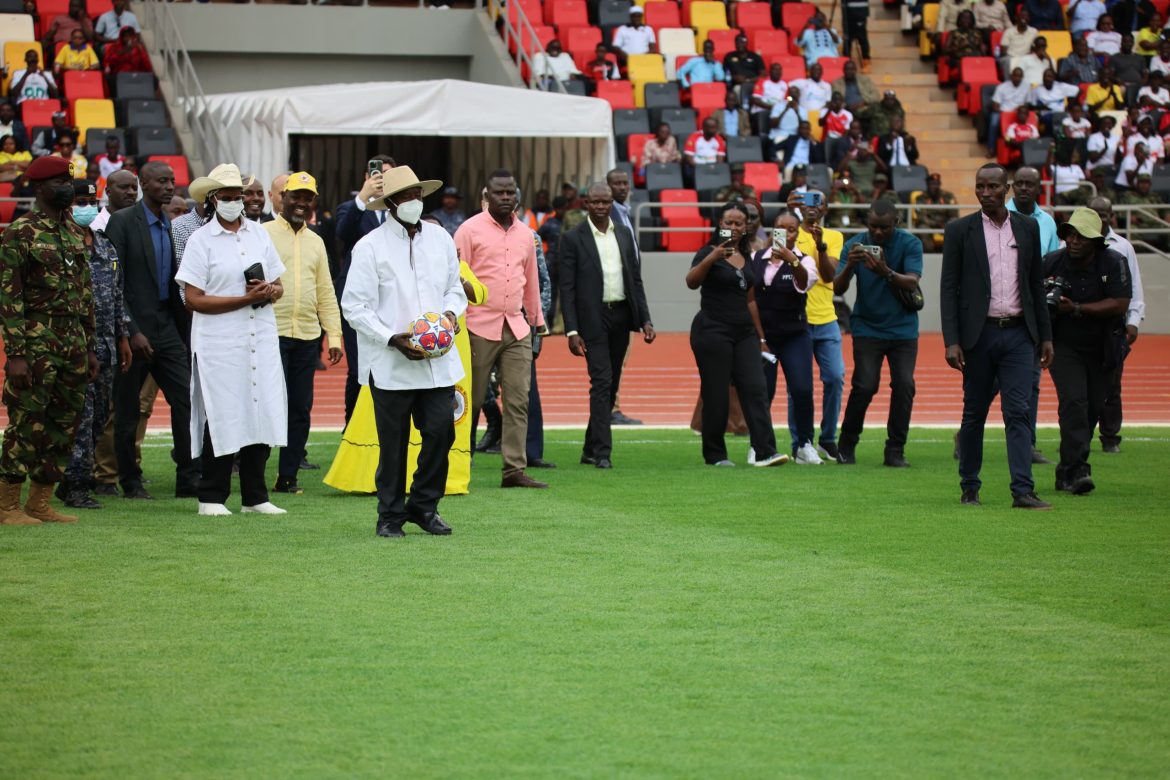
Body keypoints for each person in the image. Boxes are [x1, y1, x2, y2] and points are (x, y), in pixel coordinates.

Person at [339, 166, 466, 536]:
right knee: (392, 446)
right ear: (391, 203)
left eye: (417, 195)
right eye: (406, 196)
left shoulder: (440, 239)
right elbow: (355, 306)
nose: (413, 201)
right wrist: (393, 338)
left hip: (438, 362)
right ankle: (390, 516)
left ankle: (424, 507)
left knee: (442, 433)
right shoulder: (370, 247)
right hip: (392, 363)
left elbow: (454, 288)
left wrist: (449, 315)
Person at [939, 163, 1054, 509]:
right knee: (974, 414)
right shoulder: (960, 230)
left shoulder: (1028, 227)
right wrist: (952, 340)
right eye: (980, 187)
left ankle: (1023, 490)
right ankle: (969, 486)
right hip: (979, 336)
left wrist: (1045, 335)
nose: (985, 193)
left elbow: (1035, 284)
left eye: (992, 187)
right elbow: (949, 288)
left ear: (1006, 189)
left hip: (1020, 334)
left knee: (1018, 412)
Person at [174, 164, 286, 517]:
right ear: (212, 200)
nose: (235, 202)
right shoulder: (200, 240)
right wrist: (244, 300)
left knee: (261, 408)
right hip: (219, 340)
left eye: (238, 196)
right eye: (227, 197)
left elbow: (279, 284)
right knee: (223, 413)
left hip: (260, 334)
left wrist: (269, 291)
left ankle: (255, 496)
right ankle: (212, 496)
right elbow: (193, 299)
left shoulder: (258, 234)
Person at [0, 156, 97, 525]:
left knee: (64, 422)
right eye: (58, 181)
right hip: (36, 340)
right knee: (27, 421)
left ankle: (39, 501)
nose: (66, 188)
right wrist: (17, 354)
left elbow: (84, 294)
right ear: (38, 187)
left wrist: (88, 347)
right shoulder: (19, 232)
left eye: (67, 181)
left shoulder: (73, 232)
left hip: (72, 339)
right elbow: (10, 297)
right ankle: (7, 504)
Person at [104, 160, 201, 500]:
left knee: (187, 401)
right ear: (144, 183)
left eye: (172, 180)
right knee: (127, 409)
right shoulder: (122, 222)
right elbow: (113, 282)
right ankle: (130, 481)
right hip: (134, 331)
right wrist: (130, 329)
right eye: (161, 181)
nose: (169, 186)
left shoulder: (167, 223)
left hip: (167, 325)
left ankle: (188, 478)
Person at [455, 169, 548, 489]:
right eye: (499, 193)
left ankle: (513, 470)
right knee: (471, 399)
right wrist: (457, 321)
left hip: (517, 326)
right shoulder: (468, 230)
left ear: (517, 195)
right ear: (487, 196)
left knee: (518, 399)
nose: (506, 197)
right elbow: (455, 278)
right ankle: (459, 462)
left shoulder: (526, 234)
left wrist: (537, 322)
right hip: (478, 326)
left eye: (510, 192)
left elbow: (532, 281)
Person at [686, 202, 789, 468]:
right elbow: (691, 281)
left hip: (744, 333)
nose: (733, 227)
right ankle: (715, 455)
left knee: (756, 388)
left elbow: (751, 300)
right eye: (728, 222)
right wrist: (713, 258)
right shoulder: (707, 252)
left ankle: (765, 451)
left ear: (746, 227)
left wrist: (761, 337)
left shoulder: (749, 256)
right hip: (712, 330)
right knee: (716, 393)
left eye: (738, 223)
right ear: (719, 224)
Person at [559, 182, 654, 469]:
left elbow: (635, 280)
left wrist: (646, 318)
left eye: (606, 202)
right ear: (586, 204)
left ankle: (590, 447)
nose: (601, 206)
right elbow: (568, 288)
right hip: (592, 319)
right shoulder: (573, 238)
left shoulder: (624, 234)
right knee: (601, 381)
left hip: (622, 316)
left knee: (610, 384)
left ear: (612, 203)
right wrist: (572, 330)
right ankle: (602, 452)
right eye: (595, 202)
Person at [260, 171, 343, 495]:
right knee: (268, 405)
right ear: (283, 198)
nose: (301, 203)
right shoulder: (262, 234)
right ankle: (255, 475)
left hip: (307, 336)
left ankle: (288, 476)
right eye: (295, 196)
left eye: (307, 198)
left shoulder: (317, 241)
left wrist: (333, 336)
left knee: (300, 408)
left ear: (314, 203)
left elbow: (325, 291)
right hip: (270, 332)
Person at [1043, 208, 1131, 495]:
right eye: (1070, 234)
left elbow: (1120, 303)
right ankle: (1078, 470)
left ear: (1096, 240)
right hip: (1065, 344)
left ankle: (1067, 469)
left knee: (1093, 408)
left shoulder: (1114, 261)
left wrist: (1078, 308)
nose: (1074, 240)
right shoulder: (1052, 262)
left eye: (1081, 236)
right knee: (1074, 403)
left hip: (1104, 345)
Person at [54, 179, 130, 509]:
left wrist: (123, 336)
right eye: (78, 201)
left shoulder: (105, 246)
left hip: (106, 346)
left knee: (100, 416)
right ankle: (75, 485)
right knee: (80, 418)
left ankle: (68, 479)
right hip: (71, 346)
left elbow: (117, 295)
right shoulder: (57, 245)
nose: (85, 207)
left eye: (90, 200)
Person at [834, 200, 924, 467]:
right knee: (864, 385)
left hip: (903, 329)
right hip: (867, 327)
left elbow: (912, 281)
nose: (878, 233)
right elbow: (837, 288)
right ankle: (846, 445)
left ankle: (895, 449)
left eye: (884, 228)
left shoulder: (910, 244)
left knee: (905, 385)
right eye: (873, 227)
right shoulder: (854, 245)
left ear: (896, 223)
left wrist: (885, 271)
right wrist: (850, 265)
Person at [751, 213, 820, 463]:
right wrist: (760, 338)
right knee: (762, 392)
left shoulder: (806, 261)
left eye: (791, 230)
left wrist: (792, 261)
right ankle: (759, 445)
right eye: (780, 228)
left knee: (802, 389)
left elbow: (805, 283)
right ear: (772, 231)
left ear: (797, 235)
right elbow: (750, 297)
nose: (785, 233)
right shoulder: (756, 258)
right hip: (764, 336)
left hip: (794, 335)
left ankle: (803, 444)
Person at [334, 154, 395, 423]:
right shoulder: (351, 208)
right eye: (377, 173)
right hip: (359, 302)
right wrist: (363, 198)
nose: (382, 179)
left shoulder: (400, 211)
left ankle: (385, 427)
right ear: (367, 177)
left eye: (389, 174)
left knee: (392, 365)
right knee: (359, 368)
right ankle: (353, 430)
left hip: (392, 299)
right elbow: (342, 233)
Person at [787, 190, 845, 459]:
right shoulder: (791, 231)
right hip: (797, 319)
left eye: (818, 203)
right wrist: (790, 216)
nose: (812, 207)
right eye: (807, 202)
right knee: (798, 385)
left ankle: (828, 437)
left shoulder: (834, 237)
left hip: (826, 318)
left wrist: (819, 244)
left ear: (826, 209)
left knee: (835, 377)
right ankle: (800, 441)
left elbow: (829, 274)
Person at [986, 68, 1030, 156]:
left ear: (1022, 77)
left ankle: (1030, 149)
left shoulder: (1027, 86)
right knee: (994, 121)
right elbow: (995, 106)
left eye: (1019, 76)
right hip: (1003, 112)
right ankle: (991, 149)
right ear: (1011, 76)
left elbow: (1028, 104)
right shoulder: (1002, 87)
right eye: (1015, 76)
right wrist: (1005, 114)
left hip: (1020, 112)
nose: (1017, 78)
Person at [913, 173, 959, 251]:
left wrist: (947, 225)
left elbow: (954, 214)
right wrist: (937, 224)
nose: (935, 186)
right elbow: (921, 217)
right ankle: (929, 252)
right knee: (922, 228)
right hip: (929, 224)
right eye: (932, 184)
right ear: (927, 185)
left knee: (955, 224)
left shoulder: (948, 196)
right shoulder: (921, 198)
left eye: (937, 184)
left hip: (945, 224)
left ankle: (950, 252)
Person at [843, 0, 871, 71]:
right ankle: (846, 61)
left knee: (862, 37)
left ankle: (866, 60)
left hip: (859, 11)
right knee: (847, 37)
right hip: (847, 10)